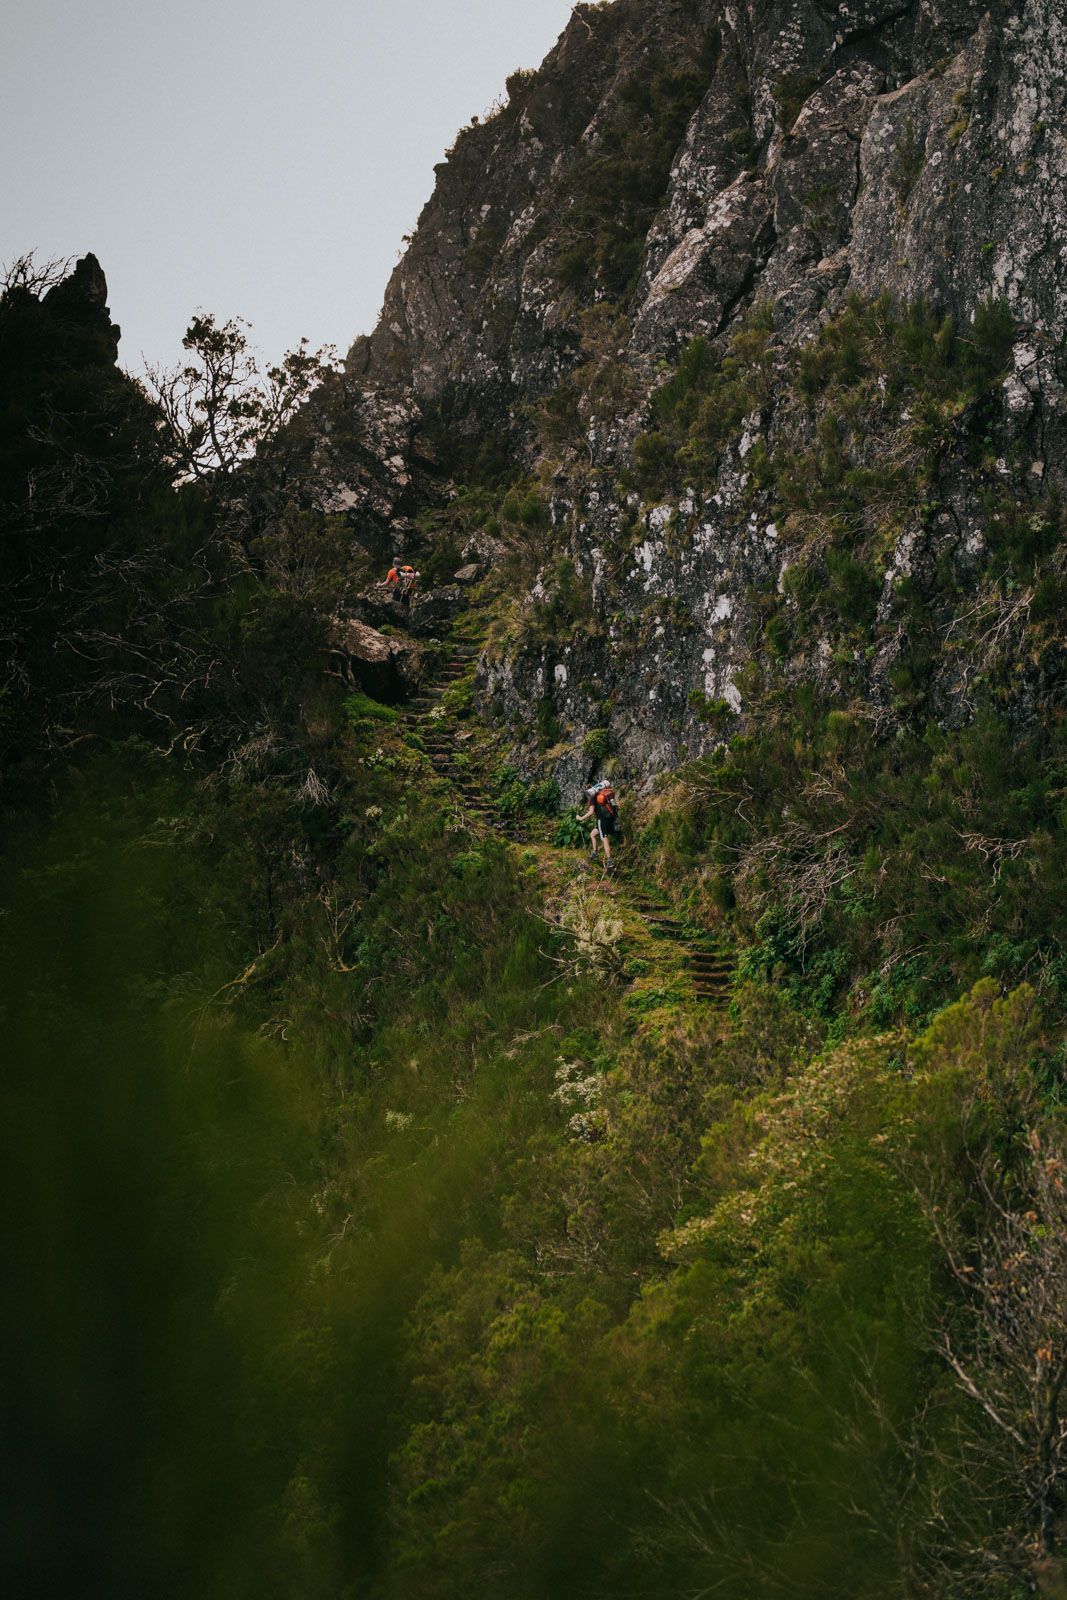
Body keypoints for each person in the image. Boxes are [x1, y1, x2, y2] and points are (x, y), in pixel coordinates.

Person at [577, 781, 620, 872]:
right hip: (610, 818)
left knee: (604, 839)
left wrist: (581, 818)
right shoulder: (602, 793)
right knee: (593, 834)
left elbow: (591, 811)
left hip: (602, 820)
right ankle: (595, 853)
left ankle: (609, 861)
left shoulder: (591, 798)